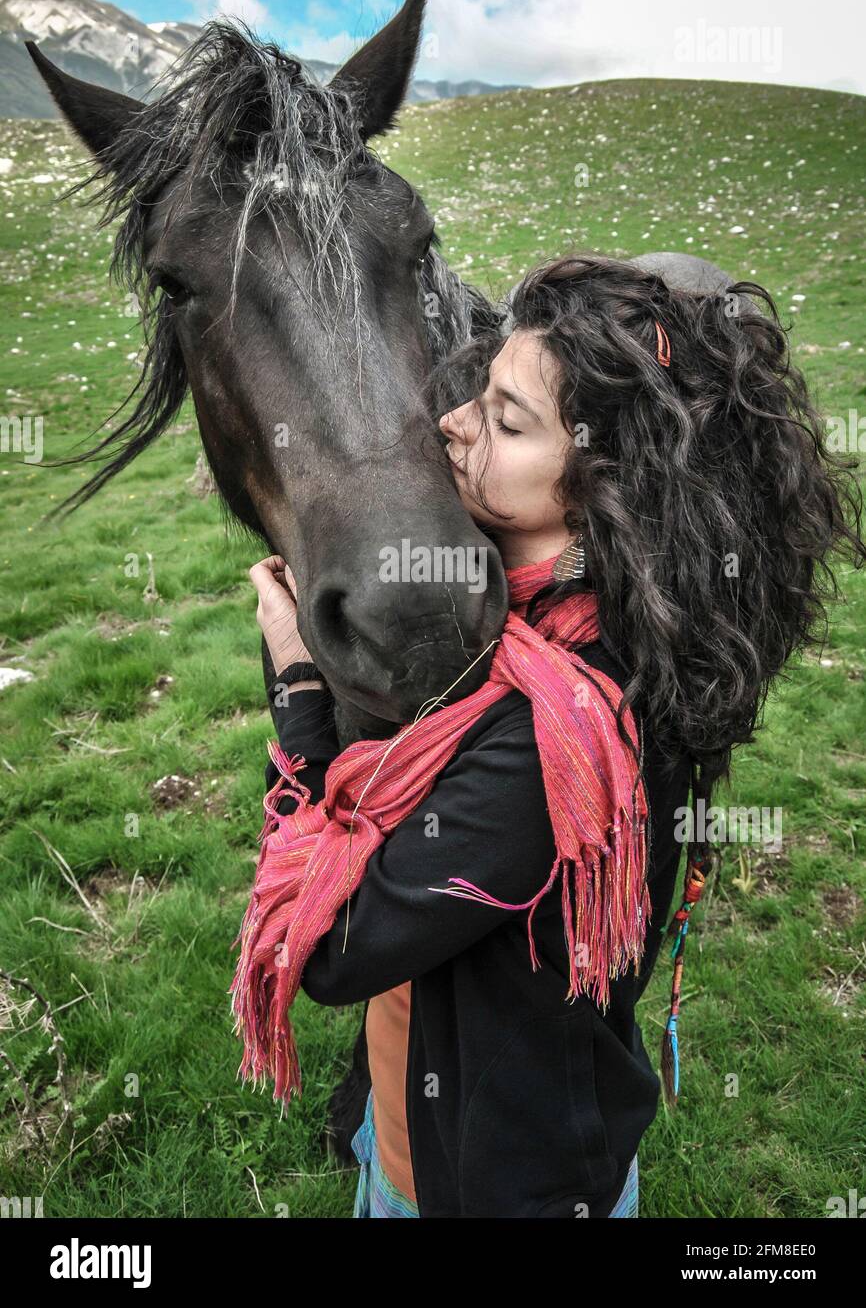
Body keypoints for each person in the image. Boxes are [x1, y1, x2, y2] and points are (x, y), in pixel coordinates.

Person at [241, 253, 864, 1218]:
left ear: (605, 478)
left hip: (491, 1185)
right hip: (415, 1113)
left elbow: (329, 953)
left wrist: (298, 690)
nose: (453, 423)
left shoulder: (552, 730)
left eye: (505, 418)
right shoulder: (613, 628)